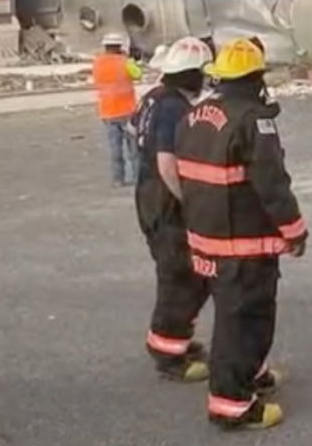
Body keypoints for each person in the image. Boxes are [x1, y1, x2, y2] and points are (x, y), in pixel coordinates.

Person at [174, 37, 307, 432]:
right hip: (242, 247)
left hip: (204, 241)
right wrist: (295, 231)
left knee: (234, 316)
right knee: (245, 321)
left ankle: (252, 374)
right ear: (254, 78)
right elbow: (272, 185)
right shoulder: (252, 121)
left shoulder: (193, 116)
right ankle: (232, 404)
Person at [132, 37, 215, 382]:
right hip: (165, 200)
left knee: (179, 274)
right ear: (190, 74)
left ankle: (173, 338)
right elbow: (168, 163)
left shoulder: (152, 98)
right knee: (181, 276)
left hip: (148, 195)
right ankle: (168, 353)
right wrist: (189, 200)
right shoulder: (173, 109)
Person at [92, 32, 143, 187]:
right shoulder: (125, 62)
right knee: (133, 149)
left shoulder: (98, 63)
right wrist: (131, 60)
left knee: (115, 149)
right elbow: (138, 74)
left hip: (107, 112)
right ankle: (137, 177)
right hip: (127, 111)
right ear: (120, 47)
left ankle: (118, 179)